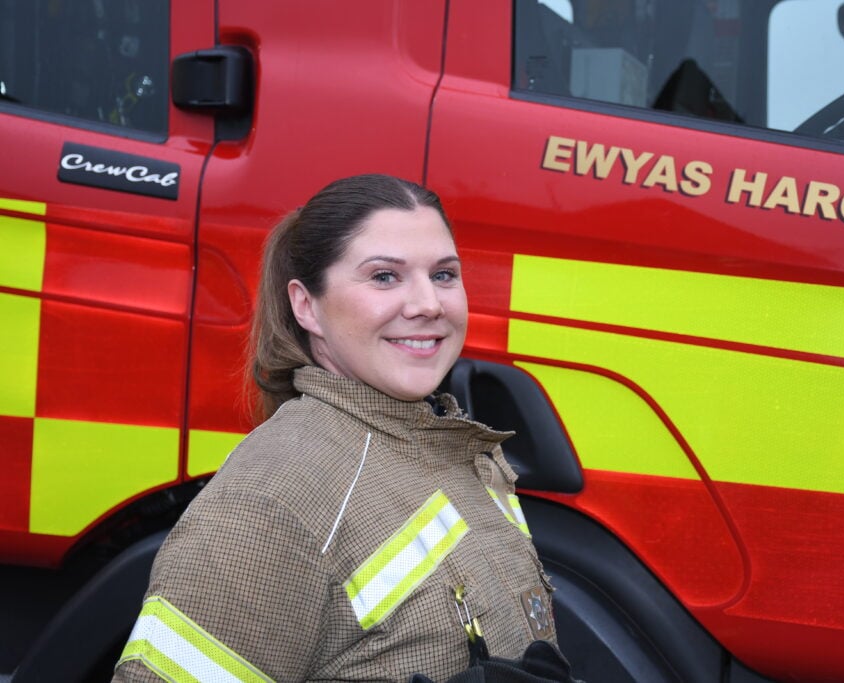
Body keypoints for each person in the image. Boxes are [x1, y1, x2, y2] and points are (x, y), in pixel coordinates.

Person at [112, 174, 565, 682]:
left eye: (443, 275)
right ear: (306, 306)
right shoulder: (269, 502)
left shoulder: (452, 453)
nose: (428, 304)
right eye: (385, 277)